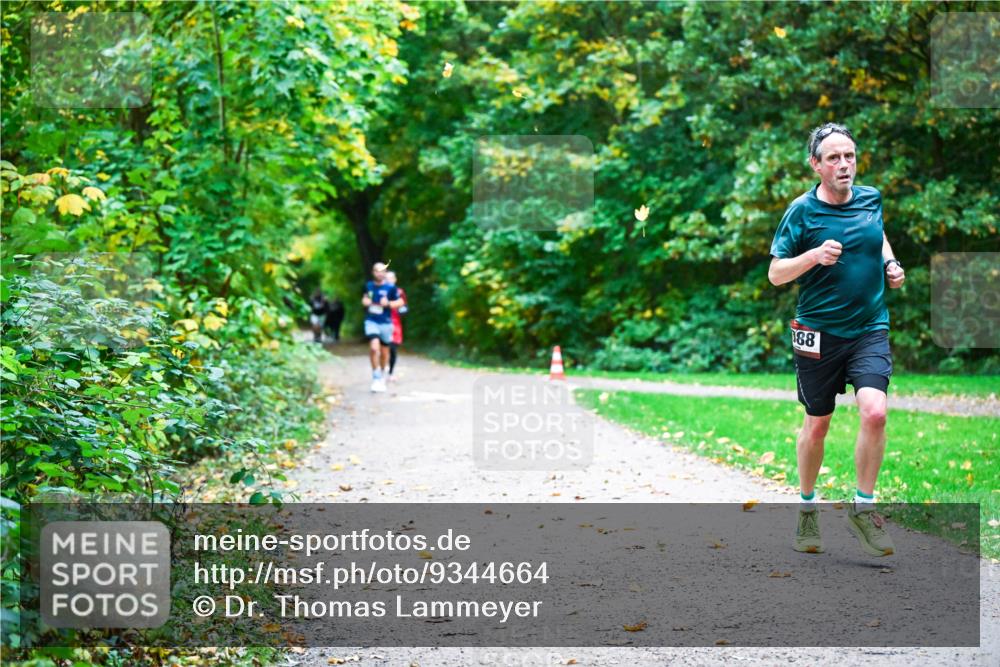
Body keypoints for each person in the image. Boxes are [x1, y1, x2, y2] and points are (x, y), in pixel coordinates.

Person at [768, 122, 905, 557]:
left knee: (876, 412)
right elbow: (775, 274)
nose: (844, 164)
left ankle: (863, 510)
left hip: (869, 327)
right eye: (833, 158)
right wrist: (812, 256)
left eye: (849, 156)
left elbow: (877, 234)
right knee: (817, 424)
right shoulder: (802, 212)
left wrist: (890, 262)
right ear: (816, 165)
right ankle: (807, 509)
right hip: (818, 333)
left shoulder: (870, 197)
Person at [362, 262, 404, 392]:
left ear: (385, 273)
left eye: (382, 271)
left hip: (386, 322)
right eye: (377, 271)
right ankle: (376, 377)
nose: (379, 273)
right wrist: (366, 302)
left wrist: (389, 303)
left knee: (385, 353)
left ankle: (381, 376)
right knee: (374, 348)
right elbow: (365, 299)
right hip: (371, 321)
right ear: (373, 272)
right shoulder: (369, 286)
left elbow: (401, 302)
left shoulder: (390, 288)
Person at [384, 271, 408, 381]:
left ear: (395, 279)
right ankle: (381, 370)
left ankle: (390, 373)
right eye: (386, 278)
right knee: (383, 347)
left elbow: (404, 306)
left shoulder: (399, 292)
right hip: (382, 322)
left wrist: (400, 310)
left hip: (395, 323)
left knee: (393, 349)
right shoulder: (381, 291)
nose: (389, 280)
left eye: (391, 278)